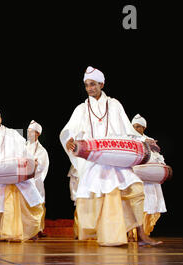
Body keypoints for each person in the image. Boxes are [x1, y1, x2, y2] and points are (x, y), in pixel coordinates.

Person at [60, 66, 162, 246]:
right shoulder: (81, 109)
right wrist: (69, 140)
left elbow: (128, 130)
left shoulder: (114, 104)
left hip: (116, 157)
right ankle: (110, 236)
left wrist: (144, 140)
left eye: (92, 84)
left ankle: (141, 236)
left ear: (101, 84)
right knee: (103, 195)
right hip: (96, 160)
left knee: (136, 190)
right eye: (86, 85)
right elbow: (68, 130)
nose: (89, 88)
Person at [0, 107, 44, 242]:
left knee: (20, 203)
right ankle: (5, 233)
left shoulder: (12, 133)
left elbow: (23, 150)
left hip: (14, 175)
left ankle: (24, 232)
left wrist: (30, 162)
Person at [127, 114, 167, 240]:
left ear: (143, 128)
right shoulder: (128, 139)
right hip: (133, 178)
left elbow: (158, 156)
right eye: (133, 126)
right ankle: (130, 233)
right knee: (131, 205)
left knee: (148, 204)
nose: (135, 128)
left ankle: (143, 233)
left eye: (138, 126)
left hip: (148, 179)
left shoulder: (150, 139)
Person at [26, 120, 50, 237]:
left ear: (38, 134)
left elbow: (42, 166)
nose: (29, 133)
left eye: (32, 131)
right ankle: (28, 229)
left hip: (36, 181)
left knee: (38, 205)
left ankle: (38, 229)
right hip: (24, 182)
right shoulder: (23, 147)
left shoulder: (42, 151)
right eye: (28, 131)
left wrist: (34, 165)